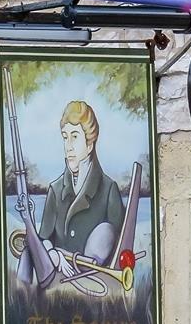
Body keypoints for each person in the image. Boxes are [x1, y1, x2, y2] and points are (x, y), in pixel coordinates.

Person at [37, 100, 126, 271]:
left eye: (75, 137)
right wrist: (52, 253)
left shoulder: (109, 190)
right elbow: (43, 238)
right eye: (65, 137)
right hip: (57, 283)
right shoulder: (55, 190)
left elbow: (118, 248)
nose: (68, 146)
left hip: (98, 287)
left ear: (90, 143)